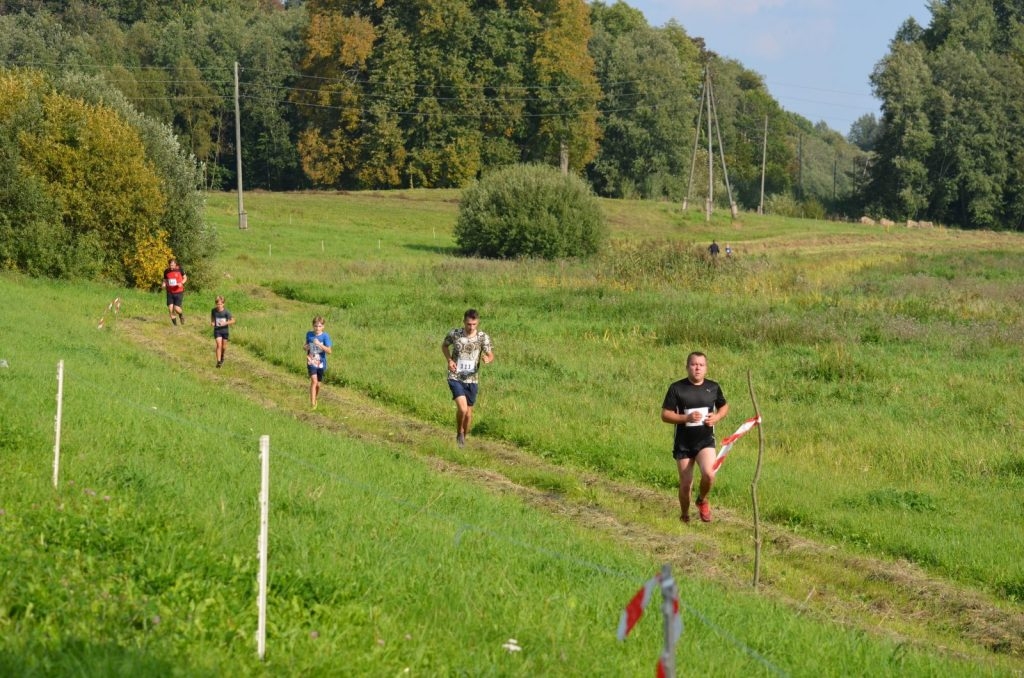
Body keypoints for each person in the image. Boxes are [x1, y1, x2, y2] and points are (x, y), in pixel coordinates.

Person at [661, 351, 729, 523]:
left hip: (705, 441)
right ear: (687, 367)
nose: (697, 368)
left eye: (701, 365)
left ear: (706, 368)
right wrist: (686, 418)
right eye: (693, 364)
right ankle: (684, 515)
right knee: (686, 485)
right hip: (683, 443)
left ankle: (702, 500)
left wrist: (717, 417)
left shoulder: (713, 387)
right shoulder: (676, 388)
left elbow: (724, 407)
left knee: (709, 474)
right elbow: (665, 415)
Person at [441, 308, 494, 447]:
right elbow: (444, 346)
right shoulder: (455, 334)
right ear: (464, 322)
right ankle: (459, 432)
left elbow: (490, 355)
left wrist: (488, 359)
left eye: (474, 324)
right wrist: (449, 360)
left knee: (469, 414)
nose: (471, 327)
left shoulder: (482, 337)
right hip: (455, 376)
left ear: (478, 323)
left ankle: (463, 438)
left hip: (472, 380)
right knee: (463, 409)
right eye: (469, 324)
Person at [304, 316, 332, 410]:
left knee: (318, 384)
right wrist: (307, 347)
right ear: (313, 326)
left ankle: (315, 398)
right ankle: (312, 404)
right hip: (311, 361)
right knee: (314, 381)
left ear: (323, 327)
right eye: (315, 326)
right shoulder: (309, 334)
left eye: (319, 326)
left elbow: (329, 351)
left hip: (321, 362)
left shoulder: (325, 336)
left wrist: (319, 344)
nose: (317, 328)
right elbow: (305, 346)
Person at [210, 295, 235, 368]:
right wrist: (212, 322)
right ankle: (218, 362)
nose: (219, 306)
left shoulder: (226, 312)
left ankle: (222, 356)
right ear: (216, 304)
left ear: (223, 304)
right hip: (217, 330)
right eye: (218, 304)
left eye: (220, 304)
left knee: (223, 347)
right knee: (219, 345)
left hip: (225, 331)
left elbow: (233, 320)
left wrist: (225, 323)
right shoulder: (213, 310)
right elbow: (212, 317)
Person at [162, 258, 188, 325]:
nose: (171, 267)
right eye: (170, 265)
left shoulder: (180, 269)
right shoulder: (166, 271)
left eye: (172, 265)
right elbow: (165, 280)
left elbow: (185, 278)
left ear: (175, 264)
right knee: (170, 309)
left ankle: (181, 315)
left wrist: (181, 283)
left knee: (176, 308)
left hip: (178, 291)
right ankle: (175, 326)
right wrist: (163, 284)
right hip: (170, 292)